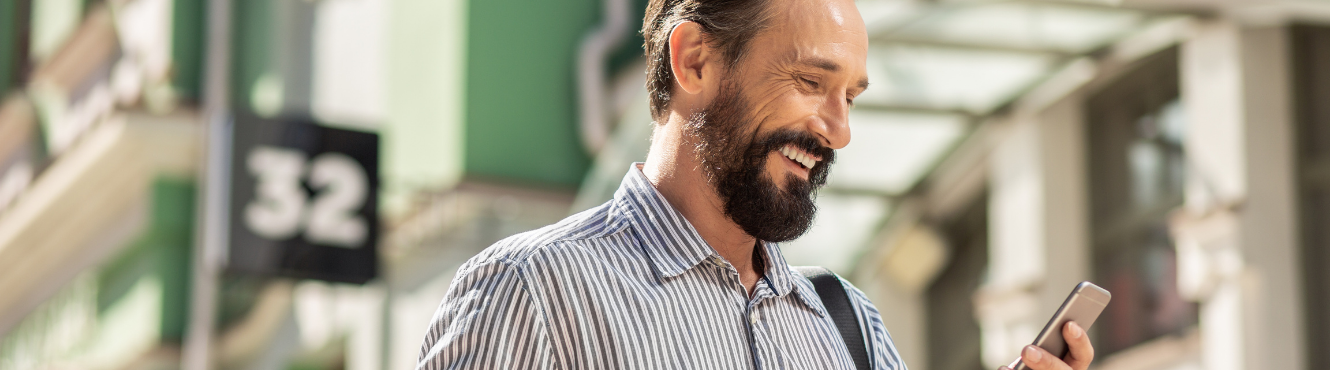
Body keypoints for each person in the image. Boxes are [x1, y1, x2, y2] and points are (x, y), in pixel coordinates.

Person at [416, 0, 1097, 368]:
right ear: (694, 58)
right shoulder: (533, 291)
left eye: (850, 97)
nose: (838, 130)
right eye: (810, 82)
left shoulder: (844, 320)